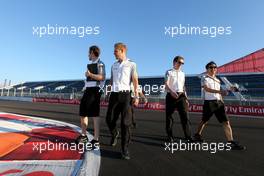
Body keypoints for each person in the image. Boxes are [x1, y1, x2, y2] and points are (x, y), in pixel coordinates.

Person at [193, 61, 245, 150]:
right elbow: (206, 89)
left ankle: (231, 142)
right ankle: (197, 135)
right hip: (209, 103)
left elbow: (220, 91)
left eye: (215, 67)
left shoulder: (217, 80)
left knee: (226, 122)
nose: (213, 69)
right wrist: (220, 92)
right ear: (207, 69)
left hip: (219, 103)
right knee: (204, 121)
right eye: (211, 67)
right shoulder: (204, 78)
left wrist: (222, 99)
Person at [106, 42, 139, 160]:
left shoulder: (132, 64)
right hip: (114, 95)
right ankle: (115, 133)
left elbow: (135, 80)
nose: (114, 53)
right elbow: (111, 80)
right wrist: (108, 92)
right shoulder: (113, 65)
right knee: (109, 119)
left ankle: (124, 149)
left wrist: (136, 96)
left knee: (126, 124)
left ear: (122, 50)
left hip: (126, 96)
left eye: (115, 51)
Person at [76, 45, 105, 149]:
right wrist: (87, 77)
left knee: (95, 115)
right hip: (88, 90)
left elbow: (102, 77)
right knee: (83, 113)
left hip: (95, 90)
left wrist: (90, 74)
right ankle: (84, 136)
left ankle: (96, 139)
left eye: (89, 52)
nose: (88, 54)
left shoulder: (100, 63)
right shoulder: (90, 64)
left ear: (93, 52)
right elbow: (90, 78)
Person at [165, 56, 192, 142]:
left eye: (182, 63)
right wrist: (172, 92)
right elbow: (166, 84)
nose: (181, 64)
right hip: (171, 96)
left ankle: (188, 136)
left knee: (185, 117)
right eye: (179, 62)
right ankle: (170, 136)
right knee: (169, 117)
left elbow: (184, 86)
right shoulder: (168, 72)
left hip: (181, 96)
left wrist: (186, 98)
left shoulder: (183, 73)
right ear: (174, 62)